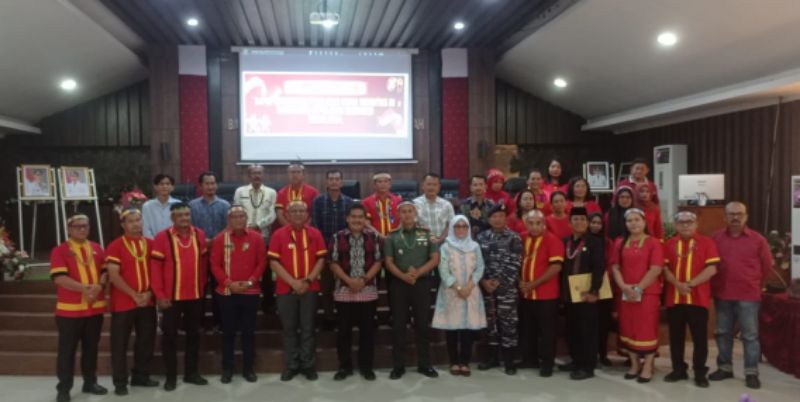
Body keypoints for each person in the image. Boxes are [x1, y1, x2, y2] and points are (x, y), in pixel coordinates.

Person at [709, 202, 773, 389]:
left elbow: (767, 266)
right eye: (731, 214)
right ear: (725, 217)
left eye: (739, 214)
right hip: (722, 293)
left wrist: (755, 285)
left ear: (746, 217)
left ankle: (751, 372)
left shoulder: (758, 240)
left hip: (748, 295)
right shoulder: (716, 238)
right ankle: (725, 368)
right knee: (723, 333)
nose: (735, 217)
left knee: (750, 335)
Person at [150, 203, 209, 391]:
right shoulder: (162, 237)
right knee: (169, 337)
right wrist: (160, 295)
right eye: (180, 215)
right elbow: (155, 269)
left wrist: (202, 288)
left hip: (195, 295)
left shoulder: (199, 234)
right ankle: (171, 376)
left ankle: (191, 373)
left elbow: (203, 264)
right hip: (171, 298)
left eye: (187, 215)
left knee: (194, 336)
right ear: (172, 218)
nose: (184, 218)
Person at [50, 214, 108, 402]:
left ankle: (90, 382)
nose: (82, 229)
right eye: (77, 226)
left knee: (91, 349)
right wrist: (85, 289)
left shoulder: (97, 248)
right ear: (69, 229)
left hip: (95, 308)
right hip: (70, 311)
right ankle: (64, 388)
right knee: (67, 351)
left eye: (85, 225)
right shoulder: (60, 250)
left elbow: (105, 272)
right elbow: (59, 278)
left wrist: (100, 286)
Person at [268, 201, 327, 382]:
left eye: (302, 210)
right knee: (289, 329)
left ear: (307, 214)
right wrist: (293, 282)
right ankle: (292, 365)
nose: (298, 214)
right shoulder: (278, 234)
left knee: (308, 328)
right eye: (294, 211)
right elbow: (274, 262)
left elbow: (321, 260)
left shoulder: (315, 233)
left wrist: (307, 280)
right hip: (286, 289)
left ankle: (308, 365)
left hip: (310, 288)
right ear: (287, 214)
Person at [663, 211, 720, 388]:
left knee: (700, 339)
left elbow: (712, 269)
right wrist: (677, 284)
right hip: (674, 299)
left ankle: (700, 372)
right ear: (676, 225)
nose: (685, 225)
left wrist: (689, 284)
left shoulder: (707, 242)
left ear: (696, 224)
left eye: (689, 222)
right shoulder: (669, 244)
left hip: (698, 299)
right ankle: (678, 370)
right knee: (676, 337)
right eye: (681, 222)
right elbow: (664, 269)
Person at [384, 201, 440, 380]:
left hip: (421, 283)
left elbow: (434, 259)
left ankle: (425, 364)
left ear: (415, 214)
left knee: (422, 325)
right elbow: (388, 262)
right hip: (399, 284)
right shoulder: (391, 236)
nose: (407, 214)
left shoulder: (426, 234)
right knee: (399, 325)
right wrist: (403, 276)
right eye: (403, 212)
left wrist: (417, 273)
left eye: (410, 211)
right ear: (398, 215)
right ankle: (398, 366)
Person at [105, 209, 159, 396]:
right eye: (131, 221)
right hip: (123, 302)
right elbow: (113, 275)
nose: (136, 224)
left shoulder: (151, 244)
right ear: (123, 224)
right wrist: (134, 294)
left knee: (146, 340)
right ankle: (120, 382)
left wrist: (150, 293)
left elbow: (158, 272)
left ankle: (141, 376)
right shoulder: (115, 246)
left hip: (147, 301)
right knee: (119, 343)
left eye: (138, 220)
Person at [211, 205, 267, 384]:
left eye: (242, 216)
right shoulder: (220, 239)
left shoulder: (257, 238)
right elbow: (214, 265)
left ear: (246, 218)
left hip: (250, 292)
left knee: (248, 332)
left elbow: (262, 262)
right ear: (229, 220)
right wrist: (229, 283)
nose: (238, 219)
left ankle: (248, 369)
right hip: (227, 292)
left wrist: (250, 282)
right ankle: (227, 369)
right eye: (234, 217)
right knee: (228, 333)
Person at [328, 203, 383, 381]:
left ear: (365, 219)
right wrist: (349, 281)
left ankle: (366, 367)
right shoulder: (337, 237)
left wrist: (363, 280)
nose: (357, 220)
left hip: (368, 292)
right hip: (344, 292)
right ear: (347, 219)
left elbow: (378, 262)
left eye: (360, 217)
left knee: (367, 332)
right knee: (344, 333)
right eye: (353, 216)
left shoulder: (374, 237)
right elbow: (333, 263)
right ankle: (345, 367)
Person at [609, 208, 664, 383]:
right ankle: (634, 364)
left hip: (647, 293)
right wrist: (624, 287)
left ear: (644, 222)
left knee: (646, 329)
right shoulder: (620, 242)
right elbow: (615, 267)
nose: (633, 223)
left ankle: (647, 366)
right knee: (628, 328)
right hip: (626, 293)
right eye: (629, 220)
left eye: (637, 220)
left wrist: (638, 288)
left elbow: (656, 269)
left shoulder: (654, 243)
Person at [432, 216, 486, 377]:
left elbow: (480, 267)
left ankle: (465, 362)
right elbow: (443, 270)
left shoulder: (475, 246)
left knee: (468, 330)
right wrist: (457, 287)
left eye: (464, 226)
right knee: (452, 329)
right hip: (451, 292)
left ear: (468, 228)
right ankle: (454, 362)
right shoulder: (446, 247)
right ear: (452, 228)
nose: (461, 229)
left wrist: (469, 286)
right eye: (457, 226)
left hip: (471, 291)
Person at [476, 204, 522, 375]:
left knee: (508, 324)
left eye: (501, 216)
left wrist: (499, 282)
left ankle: (509, 361)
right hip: (486, 288)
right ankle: (492, 358)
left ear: (506, 218)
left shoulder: (514, 238)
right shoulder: (481, 237)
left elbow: (515, 263)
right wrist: (483, 281)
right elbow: (477, 262)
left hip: (506, 289)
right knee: (490, 324)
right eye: (494, 217)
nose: (497, 219)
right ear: (489, 219)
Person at [560, 207, 605, 380]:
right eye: (576, 219)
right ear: (569, 223)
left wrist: (594, 291)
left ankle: (588, 366)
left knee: (587, 331)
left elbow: (599, 268)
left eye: (583, 219)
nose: (579, 222)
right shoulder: (565, 241)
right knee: (572, 329)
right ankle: (576, 360)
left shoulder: (594, 242)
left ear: (587, 223)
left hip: (587, 294)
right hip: (569, 294)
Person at [519, 210, 565, 376]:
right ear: (526, 224)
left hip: (546, 295)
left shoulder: (553, 240)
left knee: (547, 332)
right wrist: (519, 281)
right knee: (527, 329)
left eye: (538, 223)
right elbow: (516, 262)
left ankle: (547, 363)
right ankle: (529, 359)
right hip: (525, 294)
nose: (534, 227)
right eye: (531, 223)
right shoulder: (521, 238)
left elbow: (556, 267)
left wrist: (534, 284)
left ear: (544, 224)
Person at [312, 170, 355, 329]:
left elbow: (352, 227)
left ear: (341, 182)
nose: (334, 182)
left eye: (337, 179)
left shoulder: (349, 202)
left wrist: (342, 247)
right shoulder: (318, 201)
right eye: (331, 179)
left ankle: (345, 317)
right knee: (327, 286)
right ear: (327, 182)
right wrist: (327, 248)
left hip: (345, 251)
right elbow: (315, 227)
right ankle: (329, 317)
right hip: (324, 250)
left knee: (345, 283)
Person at [233, 165, 277, 315]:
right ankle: (245, 301)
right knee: (246, 269)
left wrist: (258, 225)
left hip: (264, 237)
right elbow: (236, 211)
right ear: (249, 175)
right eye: (253, 173)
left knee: (266, 272)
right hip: (243, 236)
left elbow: (273, 214)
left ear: (263, 175)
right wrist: (245, 227)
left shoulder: (271, 192)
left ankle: (268, 304)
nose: (256, 175)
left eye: (259, 173)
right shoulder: (240, 191)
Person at [189, 171, 230, 331]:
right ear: (200, 186)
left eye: (213, 183)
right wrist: (203, 240)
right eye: (207, 183)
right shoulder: (192, 205)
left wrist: (214, 240)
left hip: (220, 253)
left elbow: (229, 227)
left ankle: (219, 323)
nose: (210, 186)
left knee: (219, 288)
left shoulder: (225, 205)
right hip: (198, 253)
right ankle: (197, 323)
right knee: (198, 287)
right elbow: (189, 227)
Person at [588, 212, 615, 367]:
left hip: (604, 286)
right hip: (584, 286)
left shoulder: (608, 242)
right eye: (593, 222)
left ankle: (603, 354)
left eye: (599, 223)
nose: (595, 226)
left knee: (603, 323)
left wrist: (602, 280)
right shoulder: (583, 240)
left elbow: (611, 263)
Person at [413, 173, 455, 246]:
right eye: (429, 184)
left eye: (435, 185)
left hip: (443, 243)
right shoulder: (415, 204)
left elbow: (450, 225)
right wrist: (427, 239)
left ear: (439, 187)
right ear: (423, 186)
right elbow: (413, 225)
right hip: (422, 242)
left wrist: (440, 239)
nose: (431, 187)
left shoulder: (447, 204)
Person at [275, 162, 320, 226]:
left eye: (298, 172)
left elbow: (314, 215)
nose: (295, 175)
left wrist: (304, 228)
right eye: (292, 172)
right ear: (288, 174)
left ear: (303, 174)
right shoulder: (281, 193)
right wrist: (290, 228)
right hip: (287, 228)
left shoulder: (313, 192)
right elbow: (280, 215)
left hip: (307, 228)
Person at [362, 172, 402, 238]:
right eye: (380, 182)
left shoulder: (398, 201)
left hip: (396, 238)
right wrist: (380, 236)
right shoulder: (366, 202)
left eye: (386, 181)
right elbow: (366, 223)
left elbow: (402, 220)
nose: (383, 184)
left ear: (390, 184)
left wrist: (395, 234)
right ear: (374, 185)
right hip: (375, 238)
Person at [142, 174, 179, 238]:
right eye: (161, 184)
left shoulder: (178, 204)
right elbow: (145, 229)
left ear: (172, 187)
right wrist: (155, 242)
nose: (164, 186)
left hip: (174, 241)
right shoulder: (147, 206)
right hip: (152, 242)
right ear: (155, 187)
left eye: (167, 184)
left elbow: (180, 226)